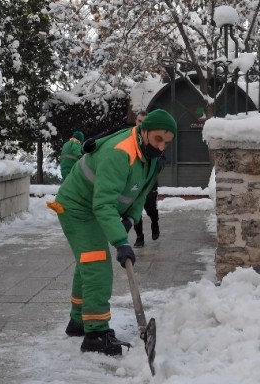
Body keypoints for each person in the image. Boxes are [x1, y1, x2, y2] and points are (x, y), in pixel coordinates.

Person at [46, 109, 177, 356]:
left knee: (88, 260)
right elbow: (103, 204)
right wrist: (121, 242)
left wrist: (129, 219)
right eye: (158, 139)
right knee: (97, 262)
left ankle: (78, 322)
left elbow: (140, 195)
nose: (161, 147)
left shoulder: (150, 157)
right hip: (77, 207)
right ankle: (96, 334)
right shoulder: (120, 152)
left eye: (167, 142)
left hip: (94, 206)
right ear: (145, 131)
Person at [132, 111, 161, 247]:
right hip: (134, 182)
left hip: (149, 182)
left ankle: (155, 223)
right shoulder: (130, 138)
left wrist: (157, 167)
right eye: (139, 121)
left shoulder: (155, 139)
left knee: (150, 208)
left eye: (144, 121)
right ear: (135, 122)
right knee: (135, 210)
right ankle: (139, 237)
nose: (141, 124)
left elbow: (163, 158)